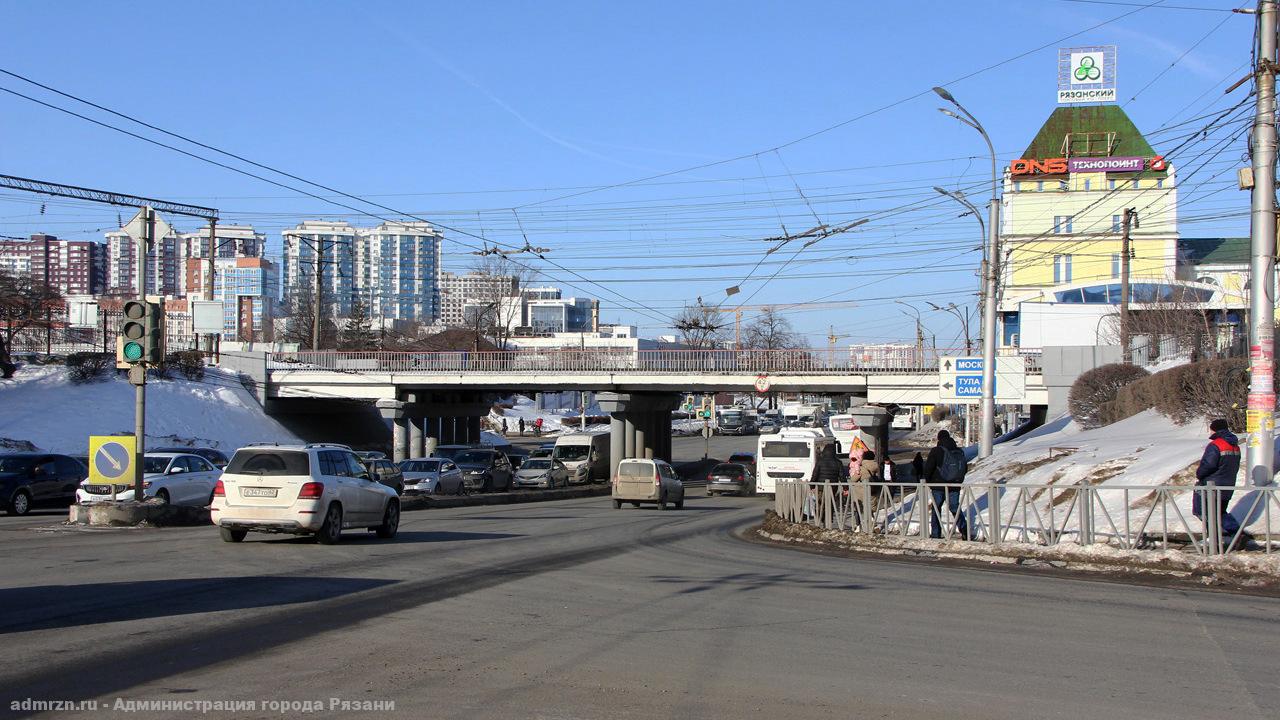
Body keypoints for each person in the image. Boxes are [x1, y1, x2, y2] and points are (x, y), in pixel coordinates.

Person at [1193, 418, 1243, 547]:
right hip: (1228, 484)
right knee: (1219, 512)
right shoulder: (1234, 445)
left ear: (1215, 429)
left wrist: (1199, 474)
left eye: (1210, 429)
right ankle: (1236, 534)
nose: (1209, 432)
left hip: (1211, 485)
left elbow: (1208, 464)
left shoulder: (1216, 444)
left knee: (1202, 511)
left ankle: (1214, 540)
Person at [923, 430, 969, 540]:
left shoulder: (936, 451)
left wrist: (928, 481)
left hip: (938, 485)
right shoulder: (958, 450)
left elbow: (929, 468)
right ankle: (964, 530)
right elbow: (964, 468)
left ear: (939, 439)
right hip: (954, 485)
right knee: (955, 508)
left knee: (936, 508)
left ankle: (936, 534)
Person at [806, 444, 845, 522]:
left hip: (821, 487)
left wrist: (812, 486)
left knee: (820, 502)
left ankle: (821, 518)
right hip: (833, 487)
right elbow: (842, 477)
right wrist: (845, 487)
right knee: (830, 503)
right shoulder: (838, 462)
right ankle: (829, 518)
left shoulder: (820, 461)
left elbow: (815, 474)